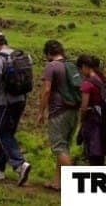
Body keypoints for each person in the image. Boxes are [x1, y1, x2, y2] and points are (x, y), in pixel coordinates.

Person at [0, 32, 31, 184]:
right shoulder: (20, 56)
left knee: (2, 134)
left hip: (6, 102)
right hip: (21, 101)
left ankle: (19, 163)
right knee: (7, 134)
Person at [38, 40, 80, 192]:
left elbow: (46, 91)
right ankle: (57, 182)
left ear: (48, 52)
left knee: (58, 147)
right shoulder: (71, 65)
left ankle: (77, 184)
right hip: (73, 112)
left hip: (58, 112)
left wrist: (41, 112)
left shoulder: (51, 66)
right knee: (64, 147)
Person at [76, 54, 106, 166]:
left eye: (80, 69)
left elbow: (84, 107)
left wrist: (82, 120)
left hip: (93, 121)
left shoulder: (87, 84)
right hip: (104, 120)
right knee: (102, 151)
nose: (81, 72)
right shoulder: (102, 79)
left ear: (84, 66)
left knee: (94, 153)